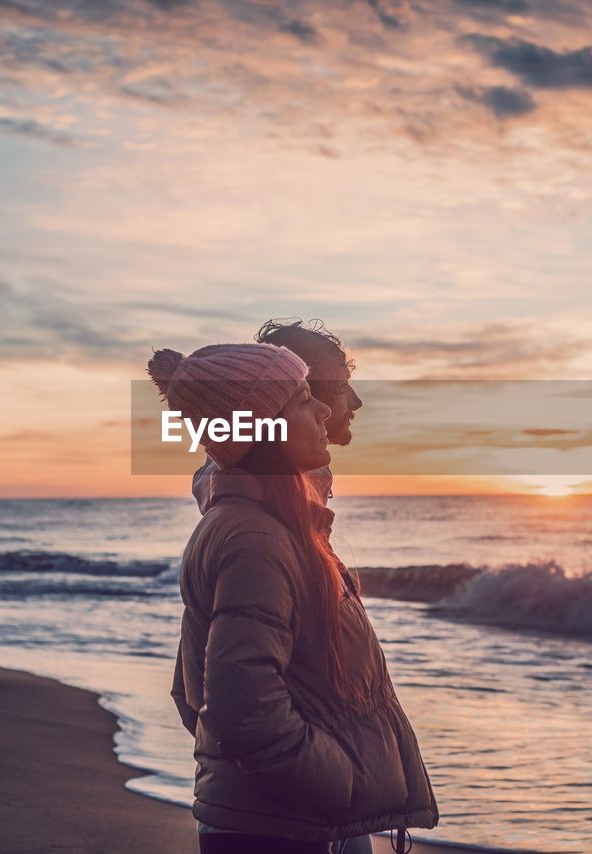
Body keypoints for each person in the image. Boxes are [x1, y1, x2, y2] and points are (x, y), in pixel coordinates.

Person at [149, 343, 438, 854]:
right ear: (268, 427)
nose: (331, 409)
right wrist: (338, 780)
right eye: (308, 397)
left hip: (287, 817)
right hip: (281, 824)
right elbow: (236, 706)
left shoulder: (280, 526)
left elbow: (204, 687)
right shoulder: (254, 536)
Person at [193, 319, 363, 511]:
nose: (356, 402)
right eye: (341, 386)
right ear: (300, 394)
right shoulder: (264, 506)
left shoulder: (238, 488)